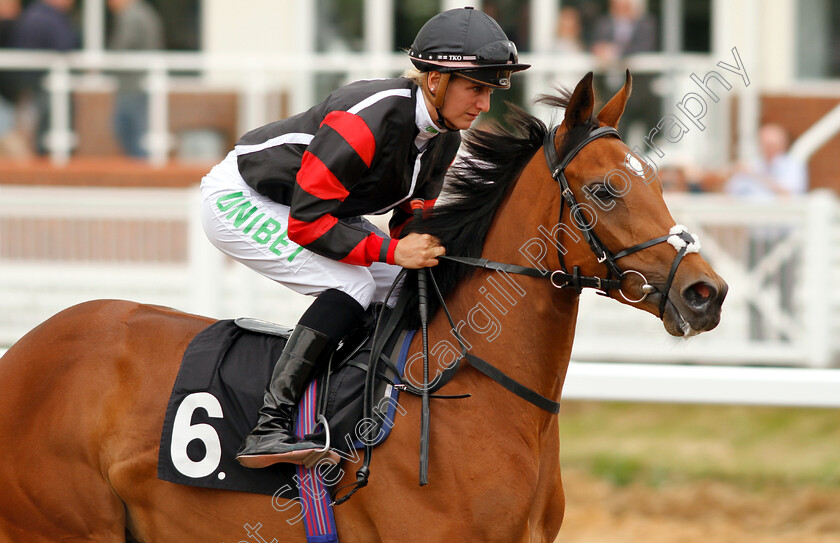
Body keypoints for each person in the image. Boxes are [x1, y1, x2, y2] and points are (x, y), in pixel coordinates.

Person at [200, 7, 529, 468]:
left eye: (490, 91)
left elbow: (411, 213)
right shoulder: (366, 120)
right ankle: (267, 426)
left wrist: (432, 247)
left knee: (402, 283)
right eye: (475, 88)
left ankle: (347, 406)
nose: (483, 105)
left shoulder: (444, 135)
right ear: (435, 79)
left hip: (312, 208)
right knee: (351, 284)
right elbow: (307, 223)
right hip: (242, 198)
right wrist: (395, 249)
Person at [11, 0, 78, 155]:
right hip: (46, 87)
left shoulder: (30, 15)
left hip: (30, 87)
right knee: (48, 135)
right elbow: (65, 47)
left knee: (39, 136)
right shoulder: (51, 18)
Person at [106, 0, 164, 158]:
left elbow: (123, 46)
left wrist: (107, 62)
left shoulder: (133, 16)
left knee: (131, 133)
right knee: (136, 133)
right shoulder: (144, 13)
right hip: (137, 84)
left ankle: (142, 173)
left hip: (133, 85)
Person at [725, 123, 808, 199]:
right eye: (763, 143)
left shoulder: (792, 165)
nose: (767, 148)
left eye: (771, 145)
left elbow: (791, 194)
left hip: (780, 213)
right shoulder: (753, 164)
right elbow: (730, 193)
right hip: (750, 212)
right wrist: (730, 174)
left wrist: (757, 175)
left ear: (782, 145)